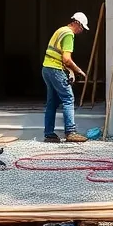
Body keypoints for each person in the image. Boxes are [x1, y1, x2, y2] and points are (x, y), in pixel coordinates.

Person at [42, 12, 90, 143]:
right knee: (68, 98)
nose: (81, 31)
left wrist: (69, 72)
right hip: (56, 69)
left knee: (52, 102)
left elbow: (59, 55)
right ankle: (70, 132)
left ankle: (49, 134)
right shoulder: (69, 34)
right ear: (77, 24)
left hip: (47, 69)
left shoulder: (60, 30)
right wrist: (79, 70)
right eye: (82, 28)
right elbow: (66, 59)